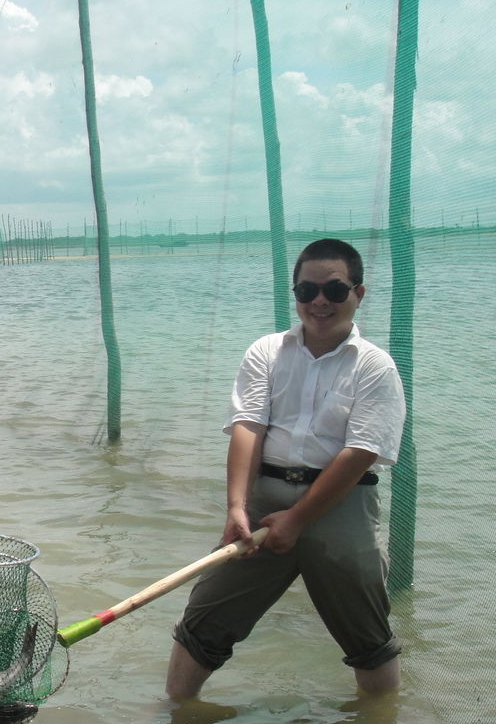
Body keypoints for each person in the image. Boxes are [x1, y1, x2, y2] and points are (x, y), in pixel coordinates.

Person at [166, 238, 406, 700]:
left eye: (335, 291)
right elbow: (248, 426)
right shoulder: (266, 352)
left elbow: (360, 452)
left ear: (359, 293)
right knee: (203, 620)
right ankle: (174, 720)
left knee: (369, 641)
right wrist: (236, 507)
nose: (319, 302)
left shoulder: (376, 367)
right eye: (307, 290)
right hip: (263, 503)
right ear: (295, 294)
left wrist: (298, 520)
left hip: (342, 507)